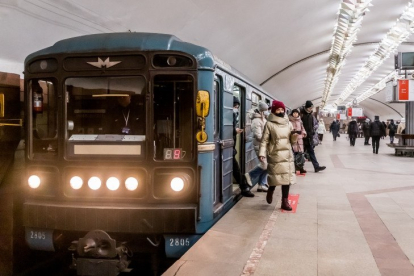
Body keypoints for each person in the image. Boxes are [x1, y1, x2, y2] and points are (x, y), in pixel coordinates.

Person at [259, 100, 298, 210]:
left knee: (287, 179)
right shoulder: (269, 124)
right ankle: (271, 190)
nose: (280, 111)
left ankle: (284, 202)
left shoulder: (288, 123)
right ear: (273, 110)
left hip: (287, 154)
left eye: (282, 109)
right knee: (275, 177)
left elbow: (292, 141)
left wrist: (294, 136)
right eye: (278, 109)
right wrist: (262, 153)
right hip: (275, 154)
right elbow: (264, 141)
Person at [245, 101, 269, 192]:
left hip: (265, 145)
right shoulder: (256, 120)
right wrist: (268, 139)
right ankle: (250, 175)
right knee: (264, 165)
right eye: (265, 110)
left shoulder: (263, 118)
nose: (267, 112)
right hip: (259, 145)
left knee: (268, 165)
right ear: (261, 111)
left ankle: (261, 184)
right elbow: (258, 135)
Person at [233, 96, 254, 197]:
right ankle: (244, 187)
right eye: (235, 105)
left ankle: (244, 186)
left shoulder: (233, 116)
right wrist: (234, 130)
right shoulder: (229, 116)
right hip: (229, 149)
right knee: (235, 168)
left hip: (231, 148)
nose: (236, 108)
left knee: (235, 168)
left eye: (237, 106)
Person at [300, 101, 326, 173]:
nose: (311, 109)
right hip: (302, 137)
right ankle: (299, 167)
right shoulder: (302, 115)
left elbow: (313, 125)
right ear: (307, 107)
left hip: (309, 137)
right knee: (299, 153)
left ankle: (316, 167)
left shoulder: (311, 115)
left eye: (312, 108)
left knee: (311, 152)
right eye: (310, 107)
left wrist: (312, 132)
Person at [289, 109, 307, 174]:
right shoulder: (289, 121)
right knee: (294, 155)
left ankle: (301, 168)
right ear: (292, 114)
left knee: (301, 155)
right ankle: (294, 169)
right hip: (293, 139)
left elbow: (303, 128)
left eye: (296, 113)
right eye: (294, 113)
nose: (295, 114)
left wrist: (303, 134)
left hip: (299, 139)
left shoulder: (300, 121)